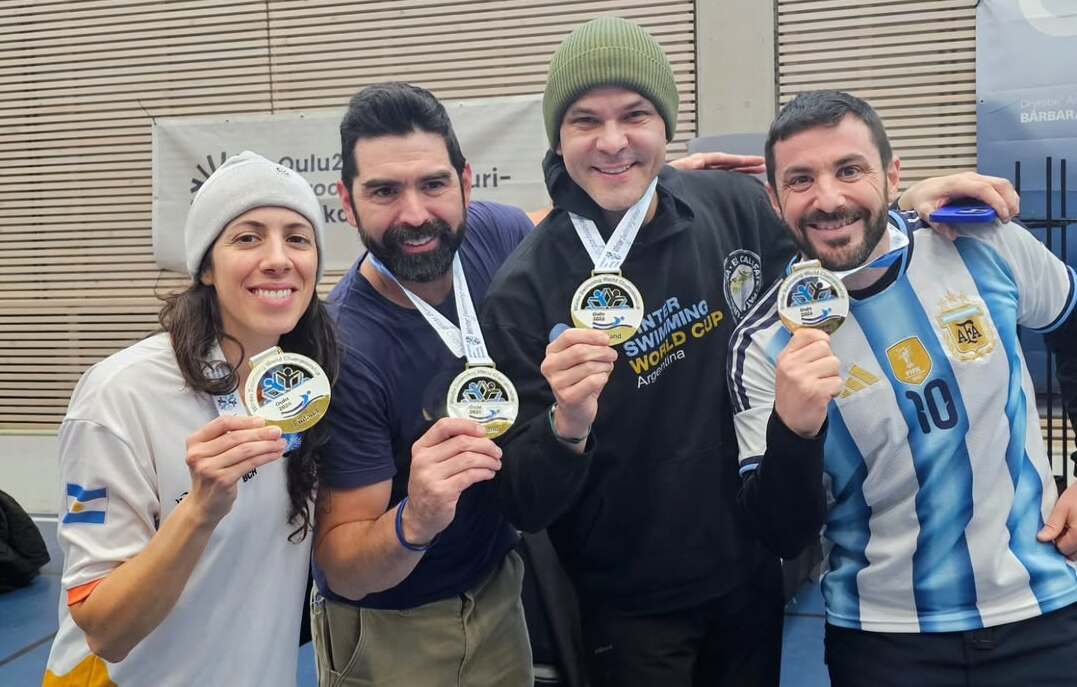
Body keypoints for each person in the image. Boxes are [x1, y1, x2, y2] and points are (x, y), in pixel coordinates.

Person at [478, 16, 1025, 687]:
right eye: (585, 120)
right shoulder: (522, 289)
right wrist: (567, 427)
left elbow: (835, 237)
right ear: (557, 139)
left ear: (665, 124)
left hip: (751, 577)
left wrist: (902, 201)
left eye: (635, 114)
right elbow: (521, 501)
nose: (612, 140)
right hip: (627, 608)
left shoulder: (731, 205)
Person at [727, 89, 1077, 686]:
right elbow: (782, 534)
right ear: (774, 199)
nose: (829, 199)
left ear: (893, 174)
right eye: (802, 180)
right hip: (883, 641)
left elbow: (1071, 321)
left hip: (1040, 609)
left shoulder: (980, 242)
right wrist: (794, 430)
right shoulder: (763, 341)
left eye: (850, 170)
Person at [42, 151, 338, 686]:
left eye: (298, 237)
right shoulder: (119, 394)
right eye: (247, 238)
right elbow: (103, 629)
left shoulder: (308, 386)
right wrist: (200, 511)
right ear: (205, 266)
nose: (278, 259)